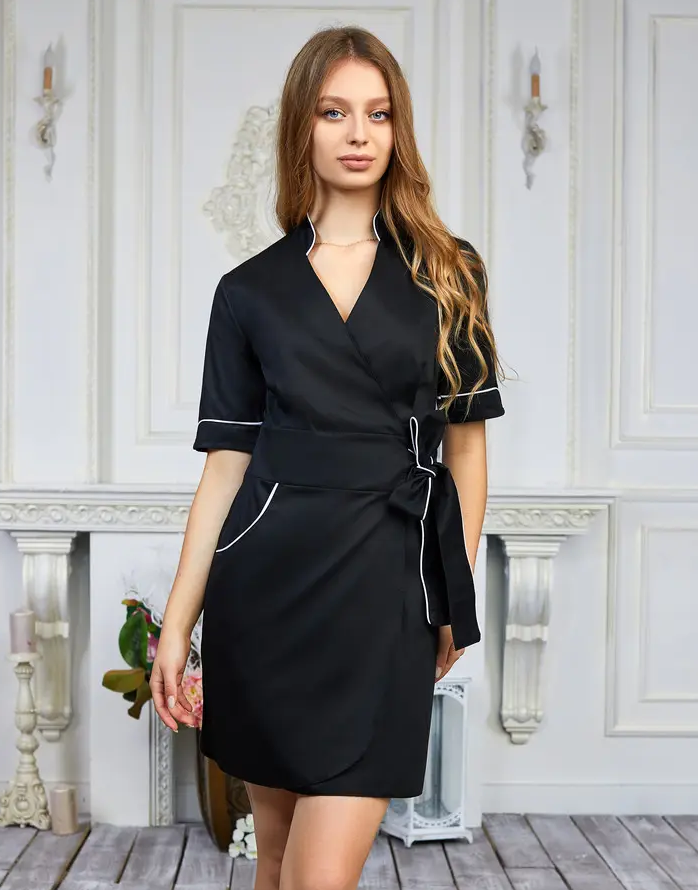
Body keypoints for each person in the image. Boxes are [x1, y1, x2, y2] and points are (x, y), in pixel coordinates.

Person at [150, 24, 505, 890]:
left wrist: (450, 593)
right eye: (334, 112)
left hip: (388, 590)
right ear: (301, 129)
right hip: (266, 594)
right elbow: (225, 468)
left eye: (378, 114)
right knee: (273, 860)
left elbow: (467, 451)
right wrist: (178, 623)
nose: (358, 134)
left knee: (317, 877)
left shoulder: (448, 272)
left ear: (398, 130)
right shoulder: (248, 292)